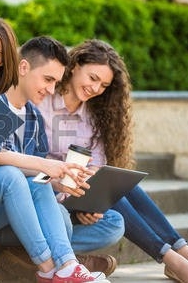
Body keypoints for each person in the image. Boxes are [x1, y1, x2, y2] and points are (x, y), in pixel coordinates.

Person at [0, 16, 109, 282]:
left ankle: (62, 267)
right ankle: (22, 267)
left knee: (39, 186)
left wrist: (55, 176)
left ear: (3, 61)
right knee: (14, 177)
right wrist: (45, 165)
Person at [38, 38, 188, 283]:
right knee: (114, 204)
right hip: (48, 195)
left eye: (104, 85)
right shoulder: (44, 101)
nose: (96, 88)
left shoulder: (92, 117)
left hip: (76, 194)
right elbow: (35, 160)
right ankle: (172, 259)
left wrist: (90, 201)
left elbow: (97, 168)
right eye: (93, 78)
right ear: (75, 65)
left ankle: (181, 250)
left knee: (116, 214)